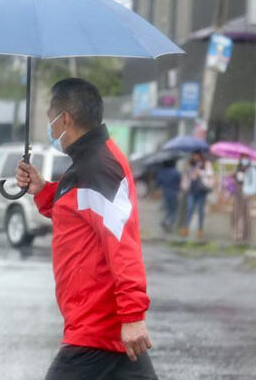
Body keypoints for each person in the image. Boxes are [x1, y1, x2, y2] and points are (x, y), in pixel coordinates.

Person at [15, 78, 157, 380]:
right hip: (102, 331)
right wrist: (42, 190)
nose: (50, 129)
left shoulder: (100, 166)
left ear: (65, 118)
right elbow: (78, 214)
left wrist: (133, 316)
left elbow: (122, 242)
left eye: (50, 120)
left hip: (95, 329)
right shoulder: (87, 162)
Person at [180, 151, 214, 240]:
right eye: (193, 155)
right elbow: (188, 177)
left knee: (200, 211)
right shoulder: (191, 165)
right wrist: (189, 172)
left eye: (196, 155)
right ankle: (185, 228)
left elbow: (210, 175)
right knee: (190, 209)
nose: (195, 157)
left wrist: (200, 173)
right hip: (193, 189)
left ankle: (200, 230)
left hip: (202, 190)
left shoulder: (206, 164)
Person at [231, 154, 256, 243]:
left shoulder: (251, 170)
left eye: (245, 158)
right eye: (242, 158)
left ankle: (244, 234)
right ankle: (237, 233)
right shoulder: (238, 169)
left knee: (245, 214)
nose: (244, 160)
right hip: (238, 193)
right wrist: (233, 176)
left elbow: (253, 183)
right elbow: (236, 181)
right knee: (237, 213)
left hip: (246, 194)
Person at [155, 159, 181, 233]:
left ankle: (165, 220)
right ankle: (169, 223)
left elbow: (158, 182)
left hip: (165, 192)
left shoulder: (162, 172)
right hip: (174, 192)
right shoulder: (175, 172)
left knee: (168, 209)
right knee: (174, 210)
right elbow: (179, 181)